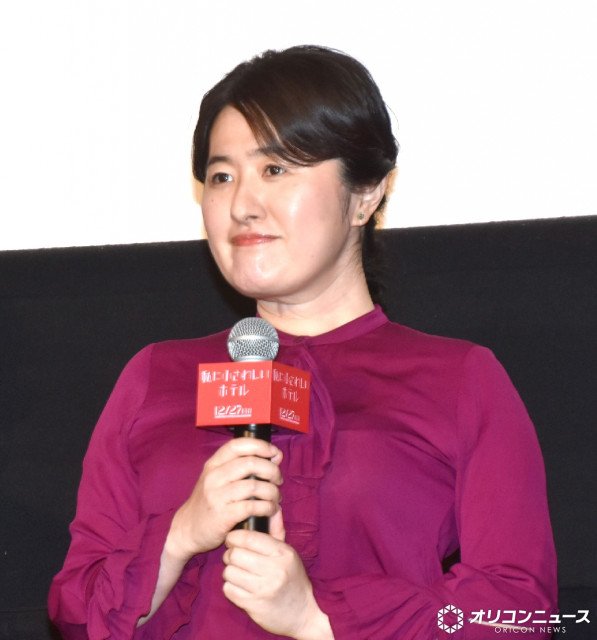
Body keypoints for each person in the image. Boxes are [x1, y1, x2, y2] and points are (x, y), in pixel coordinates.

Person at [49, 45, 557, 639]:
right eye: (221, 176)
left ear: (365, 194)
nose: (242, 205)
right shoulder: (155, 375)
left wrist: (317, 618)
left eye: (276, 170)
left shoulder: (460, 378)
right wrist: (180, 534)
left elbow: (519, 614)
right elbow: (74, 610)